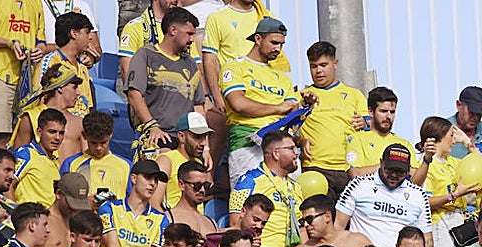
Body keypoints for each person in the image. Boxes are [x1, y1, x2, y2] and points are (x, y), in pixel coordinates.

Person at [219, 17, 299, 183]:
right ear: (258, 38)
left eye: (281, 44)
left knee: (289, 200)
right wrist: (277, 108)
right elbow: (238, 104)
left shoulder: (283, 78)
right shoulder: (234, 67)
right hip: (247, 143)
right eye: (274, 42)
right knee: (249, 201)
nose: (278, 49)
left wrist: (305, 103)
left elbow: (292, 109)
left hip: (281, 144)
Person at [337, 143, 433, 247]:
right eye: (389, 169)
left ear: (409, 170)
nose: (393, 175)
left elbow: (427, 240)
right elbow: (338, 228)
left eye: (400, 172)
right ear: (381, 163)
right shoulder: (359, 185)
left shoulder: (418, 195)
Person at [127, 5, 206, 144]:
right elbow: (134, 94)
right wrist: (152, 125)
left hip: (186, 140)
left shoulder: (191, 63)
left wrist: (205, 145)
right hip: (156, 135)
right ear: (173, 30)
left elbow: (198, 106)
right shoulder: (146, 55)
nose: (192, 39)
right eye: (189, 33)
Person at [298, 40, 367, 198]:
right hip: (315, 168)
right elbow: (287, 132)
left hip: (349, 169)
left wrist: (365, 122)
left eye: (323, 65)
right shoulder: (301, 97)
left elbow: (371, 128)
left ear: (335, 64)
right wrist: (300, 141)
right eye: (313, 66)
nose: (318, 71)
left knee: (347, 222)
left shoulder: (354, 94)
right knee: (320, 219)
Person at [0, 0, 47, 134]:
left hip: (27, 84)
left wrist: (39, 50)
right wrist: (8, 43)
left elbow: (41, 41)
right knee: (0, 137)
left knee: (25, 137)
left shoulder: (36, 3)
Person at [98, 159, 170, 247]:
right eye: (147, 178)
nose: (153, 183)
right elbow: (112, 245)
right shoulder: (109, 208)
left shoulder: (161, 220)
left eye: (156, 180)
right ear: (134, 178)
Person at [349, 86, 414, 176]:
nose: (388, 116)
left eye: (392, 112)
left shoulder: (404, 144)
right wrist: (389, 165)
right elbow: (354, 174)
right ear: (371, 111)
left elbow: (415, 178)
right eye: (383, 111)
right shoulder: (357, 139)